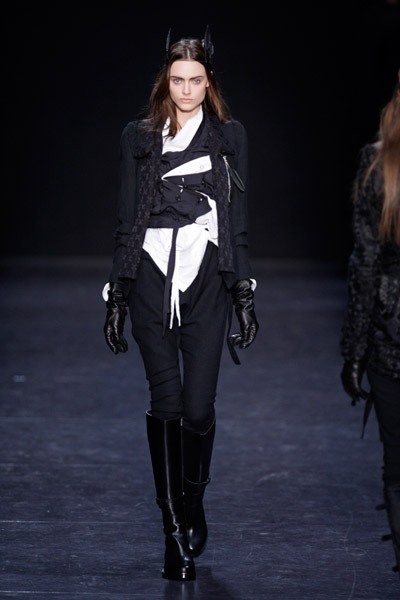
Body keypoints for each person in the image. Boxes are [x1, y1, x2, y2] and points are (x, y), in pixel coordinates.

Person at [103, 28, 259, 581]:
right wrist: (118, 294)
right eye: (177, 80)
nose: (186, 89)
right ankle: (173, 532)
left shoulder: (229, 136)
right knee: (166, 402)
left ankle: (193, 501)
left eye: (195, 80)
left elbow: (236, 219)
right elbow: (127, 218)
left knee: (197, 408)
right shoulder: (138, 137)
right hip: (149, 275)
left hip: (207, 278)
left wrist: (243, 293)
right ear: (164, 82)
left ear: (208, 81)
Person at [340, 73, 400, 575]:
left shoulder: (379, 163)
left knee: (397, 465)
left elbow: (366, 265)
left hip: (390, 331)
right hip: (388, 329)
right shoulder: (380, 164)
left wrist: (354, 353)